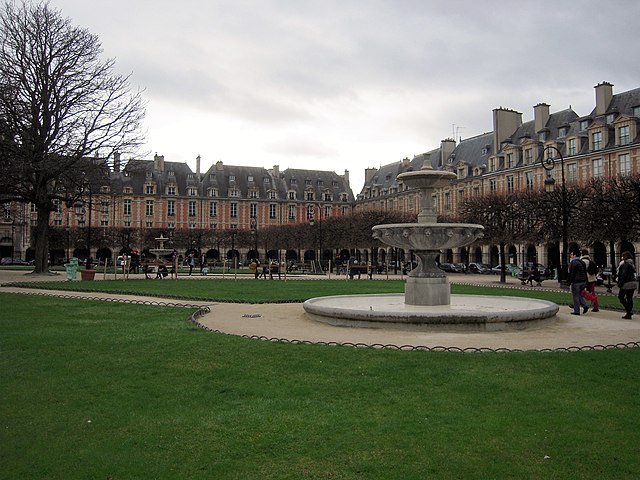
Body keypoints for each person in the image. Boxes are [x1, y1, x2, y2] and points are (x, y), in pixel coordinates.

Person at [567, 249, 589, 315]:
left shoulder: (573, 262)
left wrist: (569, 282)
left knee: (575, 296)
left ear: (574, 255)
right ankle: (585, 305)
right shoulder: (582, 262)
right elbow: (585, 272)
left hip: (576, 282)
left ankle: (577, 311)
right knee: (579, 295)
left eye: (571, 254)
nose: (570, 256)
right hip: (583, 281)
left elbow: (571, 273)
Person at [617, 251, 637, 319]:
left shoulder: (625, 264)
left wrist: (620, 284)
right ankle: (629, 312)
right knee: (629, 298)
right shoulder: (632, 263)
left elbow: (623, 275)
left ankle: (628, 311)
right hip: (633, 283)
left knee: (621, 297)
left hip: (626, 283)